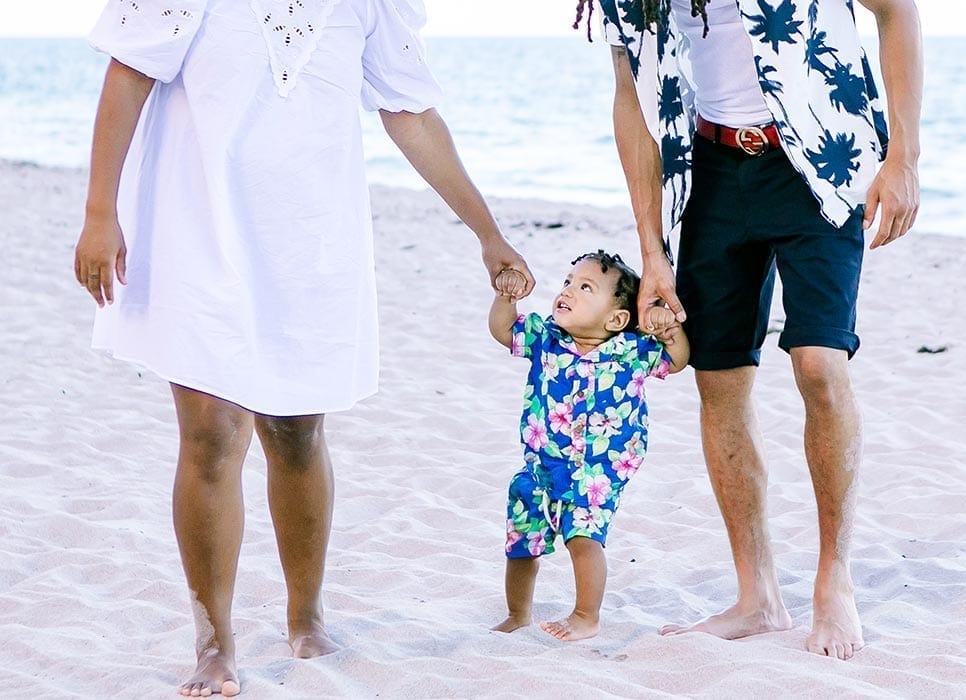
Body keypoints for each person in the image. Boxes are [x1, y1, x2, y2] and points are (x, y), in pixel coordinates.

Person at [73, 0, 534, 695]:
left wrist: (487, 231)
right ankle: (214, 642)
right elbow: (129, 71)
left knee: (295, 432)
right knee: (211, 433)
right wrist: (99, 213)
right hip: (198, 225)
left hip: (309, 237)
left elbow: (410, 112)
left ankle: (306, 616)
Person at [578, 0, 922, 659]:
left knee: (820, 363)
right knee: (719, 380)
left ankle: (834, 578)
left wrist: (903, 156)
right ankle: (757, 595)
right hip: (710, 172)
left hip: (820, 163)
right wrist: (651, 253)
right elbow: (632, 100)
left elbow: (897, 11)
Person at [488, 251, 689, 641]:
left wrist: (669, 331)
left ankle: (586, 615)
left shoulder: (632, 351)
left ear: (616, 319)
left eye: (585, 288)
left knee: (583, 538)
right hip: (540, 466)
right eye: (567, 282)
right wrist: (506, 298)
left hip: (598, 470)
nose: (568, 292)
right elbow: (502, 330)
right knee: (521, 544)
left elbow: (677, 360)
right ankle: (517, 613)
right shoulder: (545, 338)